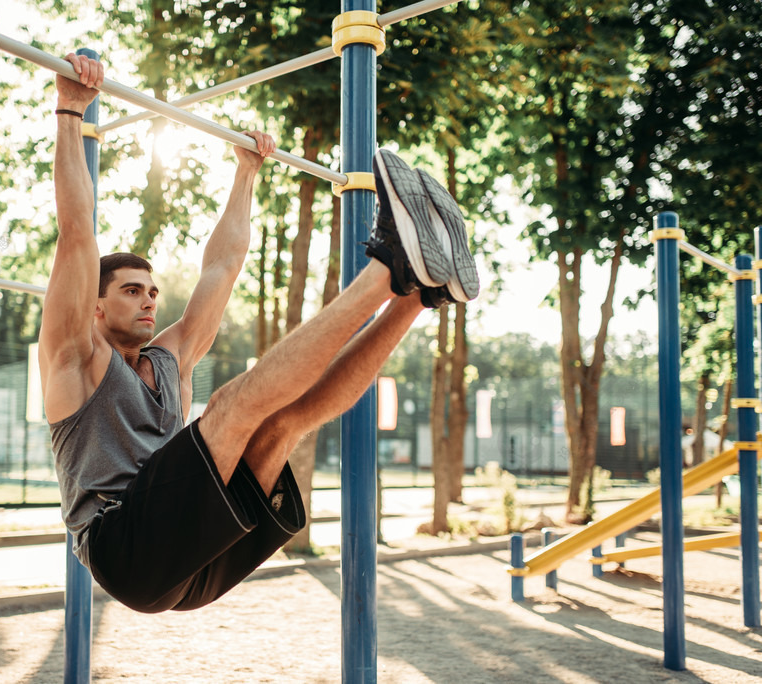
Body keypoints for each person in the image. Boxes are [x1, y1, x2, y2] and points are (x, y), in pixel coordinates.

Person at [39, 54, 479, 614]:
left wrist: (246, 172)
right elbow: (77, 236)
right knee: (228, 408)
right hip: (125, 549)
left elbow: (221, 267)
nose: (149, 298)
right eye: (131, 290)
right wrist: (70, 111)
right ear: (94, 307)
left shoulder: (171, 357)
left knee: (284, 423)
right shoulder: (74, 360)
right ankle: (389, 267)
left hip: (196, 564)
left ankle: (418, 296)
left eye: (152, 290)